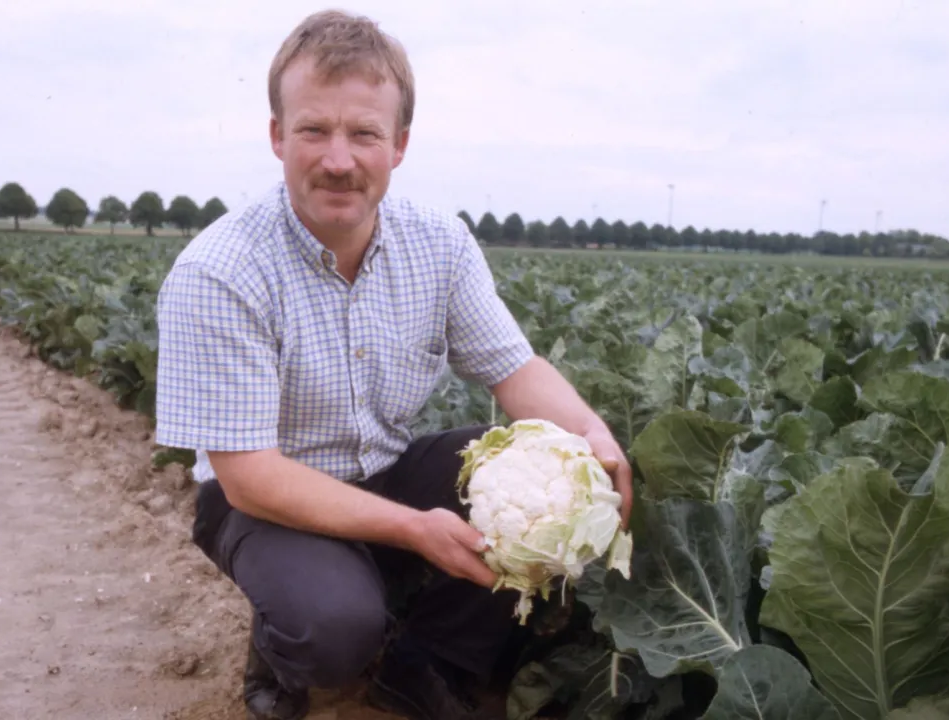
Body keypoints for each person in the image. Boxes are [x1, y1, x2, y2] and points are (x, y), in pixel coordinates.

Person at [153, 9, 633, 720]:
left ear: (399, 145)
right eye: (314, 129)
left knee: (540, 484)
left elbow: (513, 368)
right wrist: (412, 531)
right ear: (278, 136)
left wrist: (595, 444)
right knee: (334, 627)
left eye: (364, 134)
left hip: (385, 468)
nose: (339, 159)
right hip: (266, 500)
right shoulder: (220, 272)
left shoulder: (437, 244)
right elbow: (250, 475)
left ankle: (425, 662)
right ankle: (283, 648)